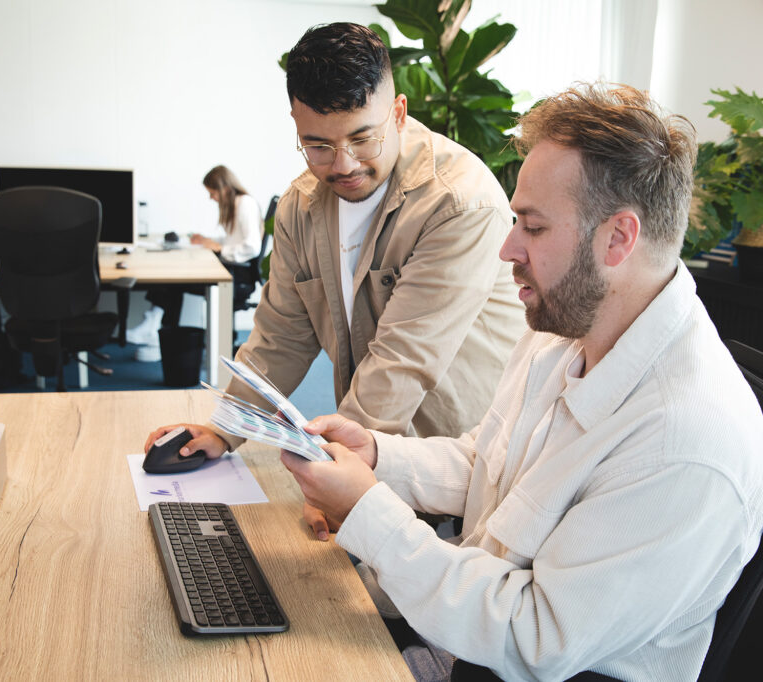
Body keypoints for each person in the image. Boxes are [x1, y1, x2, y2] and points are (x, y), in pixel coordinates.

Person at [277, 83, 763, 681]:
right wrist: (380, 456)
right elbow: (488, 462)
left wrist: (367, 510)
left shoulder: (686, 446)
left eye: (533, 227)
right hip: (459, 639)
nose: (507, 247)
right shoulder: (565, 327)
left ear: (618, 238)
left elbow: (533, 638)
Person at [144, 23, 527, 538]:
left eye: (362, 138)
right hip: (366, 452)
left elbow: (402, 362)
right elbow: (280, 336)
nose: (342, 165)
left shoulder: (459, 202)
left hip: (454, 464)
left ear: (398, 113)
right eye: (318, 145)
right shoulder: (301, 205)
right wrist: (222, 428)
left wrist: (334, 476)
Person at [130, 165, 263, 362]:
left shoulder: (245, 204)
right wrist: (209, 240)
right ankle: (154, 325)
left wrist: (219, 249)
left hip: (237, 275)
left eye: (212, 193)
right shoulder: (237, 203)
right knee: (172, 278)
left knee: (174, 281)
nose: (211, 198)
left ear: (224, 188)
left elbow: (252, 247)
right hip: (231, 267)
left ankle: (156, 329)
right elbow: (234, 239)